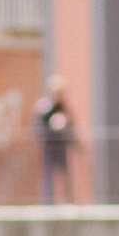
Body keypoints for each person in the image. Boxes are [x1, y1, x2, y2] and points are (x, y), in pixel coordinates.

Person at [33, 75, 77, 204]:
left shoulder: (63, 107)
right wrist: (51, 128)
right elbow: (38, 127)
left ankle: (67, 201)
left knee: (64, 173)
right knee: (48, 174)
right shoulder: (44, 107)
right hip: (49, 146)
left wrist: (68, 132)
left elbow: (70, 125)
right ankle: (48, 202)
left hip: (61, 145)